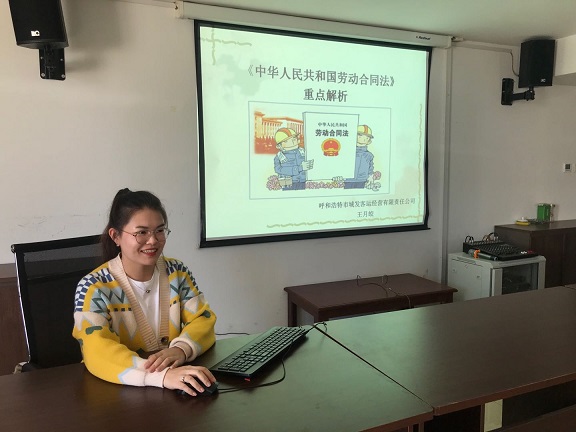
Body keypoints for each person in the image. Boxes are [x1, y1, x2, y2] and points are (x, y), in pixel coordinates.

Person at [72, 188, 217, 396]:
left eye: (159, 230)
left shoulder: (177, 272)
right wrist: (161, 376)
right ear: (115, 236)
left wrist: (181, 349)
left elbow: (203, 319)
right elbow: (96, 350)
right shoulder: (93, 287)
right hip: (119, 394)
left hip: (175, 385)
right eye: (141, 232)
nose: (153, 241)